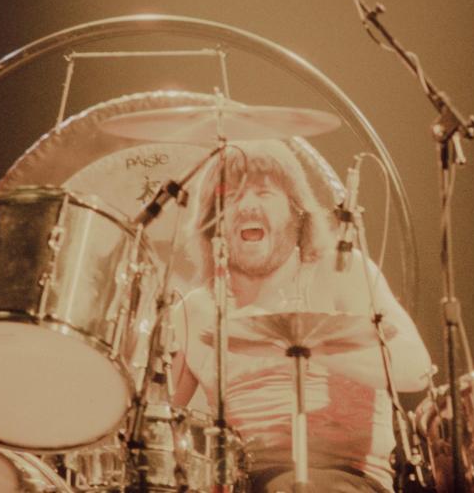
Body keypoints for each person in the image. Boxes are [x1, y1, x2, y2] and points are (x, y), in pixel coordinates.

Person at [171, 140, 431, 493]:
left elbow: (413, 368)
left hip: (346, 477)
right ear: (211, 224)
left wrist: (301, 342)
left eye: (264, 193)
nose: (246, 205)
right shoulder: (194, 311)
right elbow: (151, 421)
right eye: (231, 197)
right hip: (243, 480)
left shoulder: (341, 272)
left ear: (296, 211)